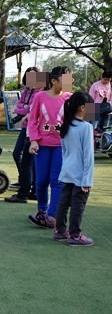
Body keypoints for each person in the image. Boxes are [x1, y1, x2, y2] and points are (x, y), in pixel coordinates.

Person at [27, 66, 73, 229]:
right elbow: (32, 120)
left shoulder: (71, 98)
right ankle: (42, 211)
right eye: (66, 78)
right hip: (42, 145)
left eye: (71, 78)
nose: (71, 81)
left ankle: (52, 216)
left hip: (61, 146)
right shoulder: (39, 97)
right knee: (41, 181)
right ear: (54, 81)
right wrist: (34, 140)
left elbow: (85, 116)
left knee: (56, 181)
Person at [53, 92, 95, 246]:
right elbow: (88, 157)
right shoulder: (86, 127)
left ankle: (60, 231)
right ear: (83, 108)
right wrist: (87, 180)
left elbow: (65, 152)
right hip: (80, 174)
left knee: (63, 202)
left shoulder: (66, 127)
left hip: (67, 172)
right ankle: (75, 235)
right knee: (78, 204)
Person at [5, 67, 39, 203]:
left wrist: (25, 110)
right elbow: (18, 108)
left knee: (30, 162)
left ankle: (28, 190)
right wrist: (24, 111)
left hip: (35, 130)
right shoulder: (26, 91)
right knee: (22, 157)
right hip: (26, 128)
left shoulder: (39, 93)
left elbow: (30, 109)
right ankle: (26, 183)